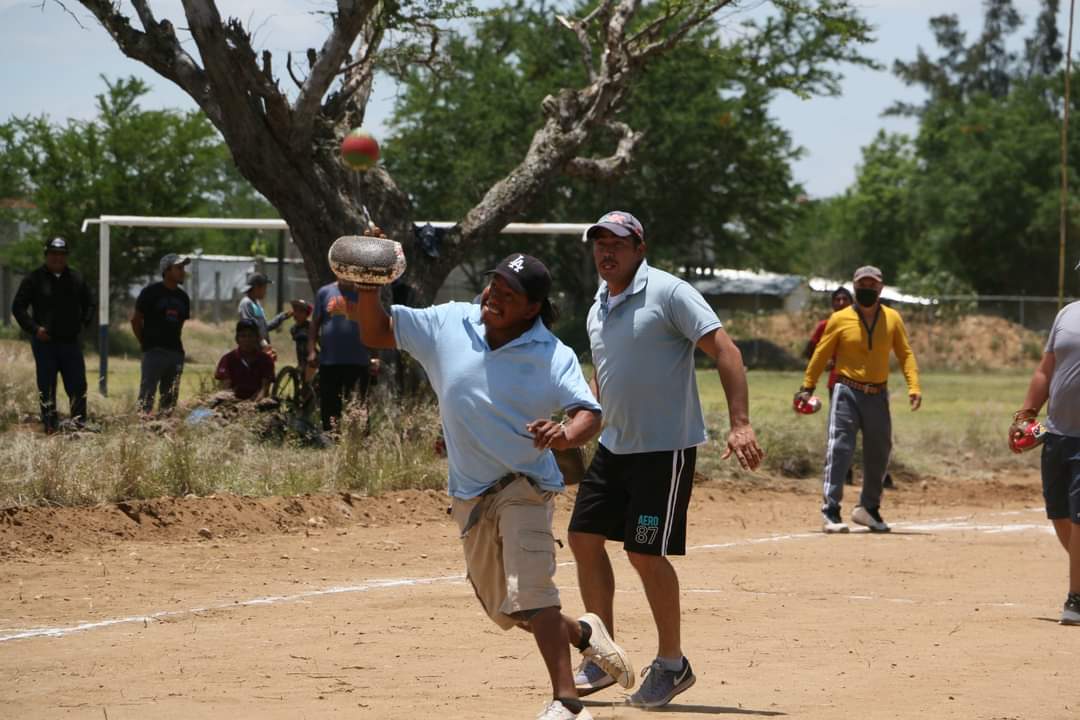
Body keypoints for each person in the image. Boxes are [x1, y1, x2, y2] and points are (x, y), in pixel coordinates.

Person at [350, 251, 633, 720]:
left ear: (532, 308)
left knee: (533, 590)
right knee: (511, 610)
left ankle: (567, 702)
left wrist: (563, 433)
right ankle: (584, 634)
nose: (493, 297)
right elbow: (376, 331)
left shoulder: (551, 354)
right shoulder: (449, 323)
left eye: (508, 294)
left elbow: (589, 413)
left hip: (525, 485)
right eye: (492, 286)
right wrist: (366, 283)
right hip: (470, 496)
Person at [568, 211, 764, 708]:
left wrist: (739, 423)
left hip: (663, 453)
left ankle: (673, 664)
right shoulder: (598, 306)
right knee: (583, 537)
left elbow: (727, 351)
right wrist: (573, 428)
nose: (605, 252)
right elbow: (605, 382)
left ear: (639, 246)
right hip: (615, 447)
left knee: (643, 552)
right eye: (599, 243)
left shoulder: (670, 292)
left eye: (616, 243)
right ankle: (602, 654)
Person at [798, 265, 921, 534]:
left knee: (880, 449)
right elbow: (820, 354)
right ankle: (831, 510)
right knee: (840, 448)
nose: (867, 289)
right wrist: (807, 386)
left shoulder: (892, 318)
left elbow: (905, 354)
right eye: (862, 285)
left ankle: (868, 508)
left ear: (880, 287)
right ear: (855, 287)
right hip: (847, 391)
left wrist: (914, 386)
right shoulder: (840, 319)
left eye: (872, 285)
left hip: (878, 393)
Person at [1012, 271, 1080, 625]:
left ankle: (1076, 598)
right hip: (1055, 433)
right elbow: (1046, 370)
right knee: (1059, 514)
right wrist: (1027, 416)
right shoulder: (1067, 315)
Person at [11, 237, 94, 433]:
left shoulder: (76, 278)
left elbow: (90, 303)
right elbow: (18, 307)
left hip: (70, 342)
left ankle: (78, 425)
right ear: (46, 255)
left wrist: (83, 324)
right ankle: (50, 426)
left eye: (61, 255)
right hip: (45, 343)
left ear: (66, 257)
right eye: (53, 254)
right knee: (47, 386)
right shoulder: (33, 279)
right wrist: (34, 329)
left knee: (78, 385)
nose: (57, 258)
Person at [309, 279, 372, 432]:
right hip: (330, 360)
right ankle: (331, 437)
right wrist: (311, 351)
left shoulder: (365, 293)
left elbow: (372, 324)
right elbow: (315, 324)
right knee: (330, 403)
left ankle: (358, 438)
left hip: (359, 360)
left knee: (358, 403)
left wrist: (376, 356)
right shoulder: (324, 292)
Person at [132, 254, 191, 415]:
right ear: (166, 270)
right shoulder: (150, 292)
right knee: (147, 395)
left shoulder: (183, 297)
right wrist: (146, 344)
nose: (182, 271)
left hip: (176, 353)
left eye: (183, 268)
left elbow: (180, 325)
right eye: (178, 268)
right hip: (154, 351)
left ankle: (164, 429)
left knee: (170, 398)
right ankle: (142, 430)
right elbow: (136, 320)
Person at [214, 319, 275, 401]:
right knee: (199, 412)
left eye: (250, 336)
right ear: (237, 339)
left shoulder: (266, 360)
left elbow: (264, 389)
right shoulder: (228, 359)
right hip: (231, 400)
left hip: (257, 401)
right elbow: (225, 387)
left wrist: (253, 405)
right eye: (243, 336)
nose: (247, 340)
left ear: (257, 338)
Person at [238, 273, 289, 360]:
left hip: (260, 347)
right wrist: (264, 344)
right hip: (252, 349)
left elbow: (264, 327)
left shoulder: (257, 304)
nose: (265, 291)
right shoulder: (246, 303)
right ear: (256, 288)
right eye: (264, 288)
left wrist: (282, 317)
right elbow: (250, 327)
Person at [288, 299, 313, 375]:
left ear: (306, 315)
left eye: (301, 312)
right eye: (295, 311)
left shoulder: (311, 326)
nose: (297, 314)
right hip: (301, 358)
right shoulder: (293, 329)